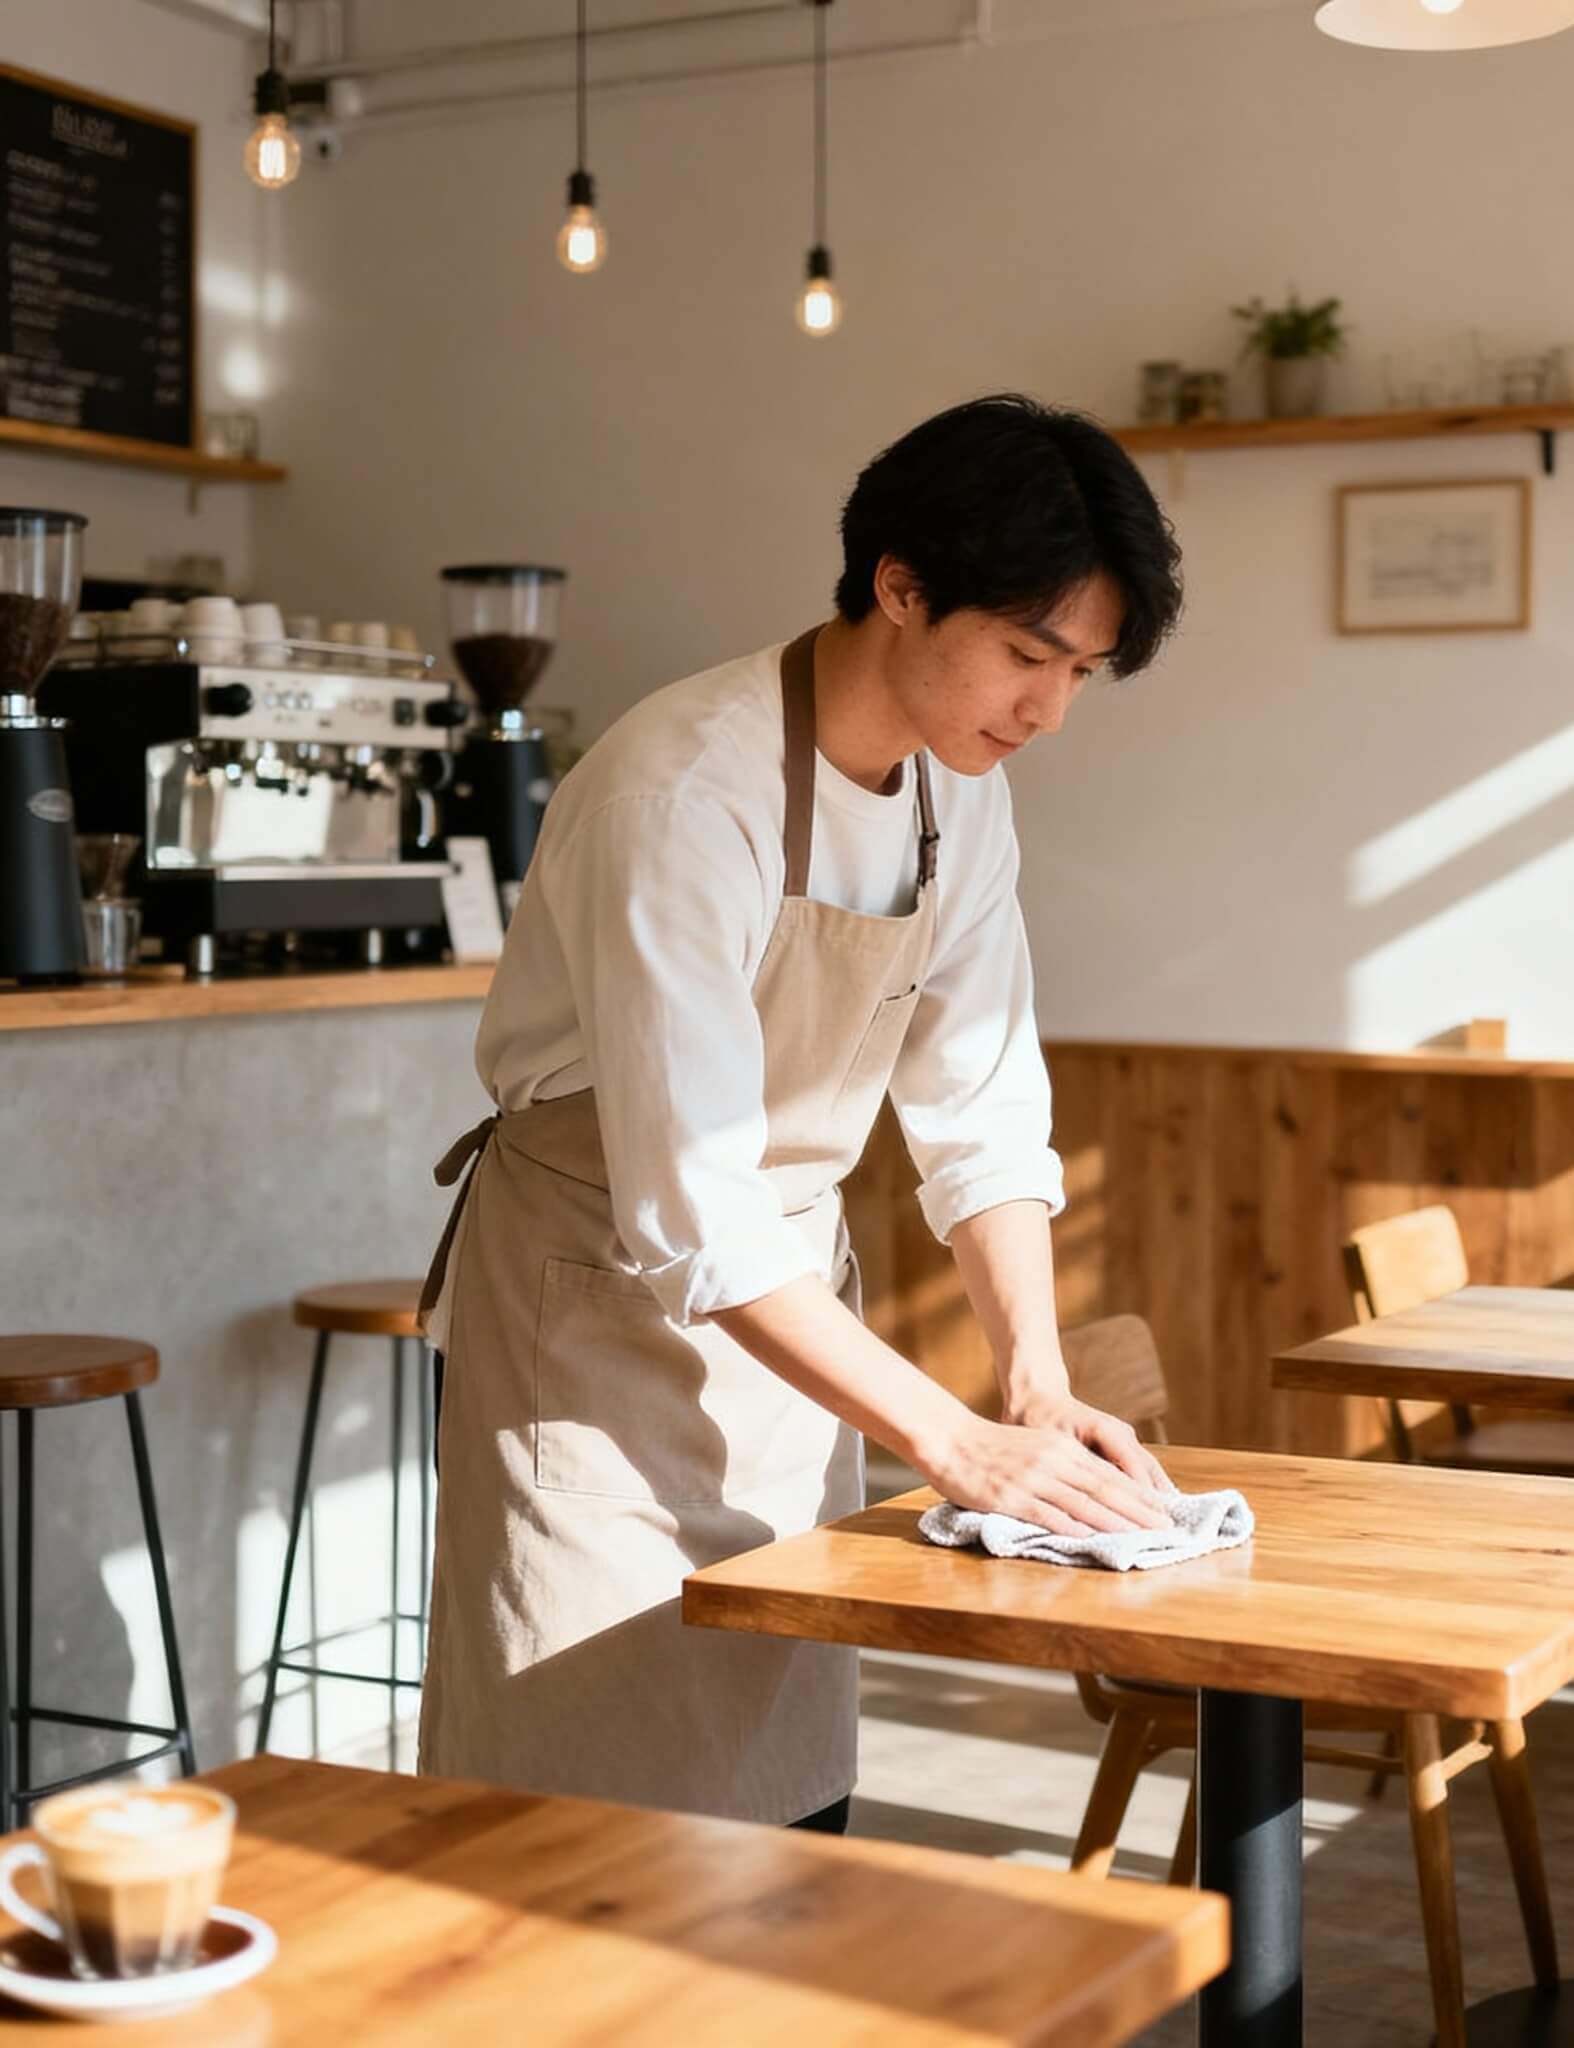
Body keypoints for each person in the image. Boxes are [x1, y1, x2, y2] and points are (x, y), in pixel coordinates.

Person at [417, 393, 1186, 1832]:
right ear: (900, 588)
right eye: (1027, 655)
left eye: (1079, 672)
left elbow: (982, 1112)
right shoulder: (681, 793)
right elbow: (696, 1212)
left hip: (790, 1348)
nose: (1047, 711)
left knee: (781, 1804)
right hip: (590, 1337)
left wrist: (1029, 1376)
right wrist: (952, 1446)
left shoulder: (962, 799)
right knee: (580, 1816)